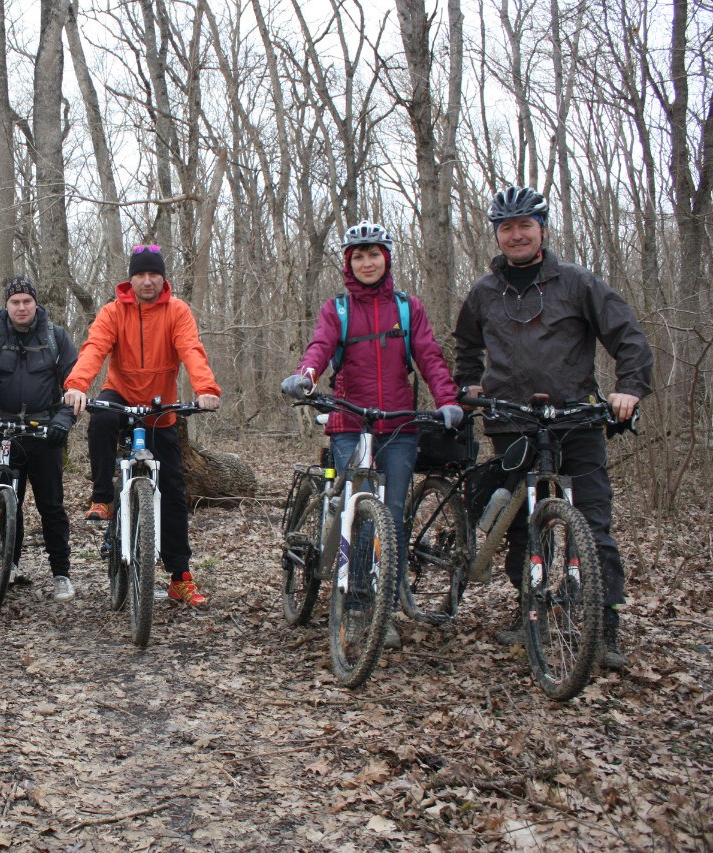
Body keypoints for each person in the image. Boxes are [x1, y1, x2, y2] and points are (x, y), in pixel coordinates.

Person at [453, 186, 653, 671]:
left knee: (593, 524)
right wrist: (470, 384)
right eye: (507, 228)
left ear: (542, 230)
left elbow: (628, 336)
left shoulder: (578, 283)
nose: (516, 235)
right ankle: (532, 611)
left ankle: (604, 625)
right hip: (512, 421)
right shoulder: (484, 292)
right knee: (522, 524)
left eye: (526, 225)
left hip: (575, 419)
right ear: (497, 235)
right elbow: (465, 347)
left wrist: (628, 389)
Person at [280, 222, 461, 649]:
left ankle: (384, 609)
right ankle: (359, 605)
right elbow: (320, 347)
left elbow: (430, 356)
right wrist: (306, 376)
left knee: (391, 518)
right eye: (358, 256)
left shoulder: (408, 308)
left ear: (387, 258)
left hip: (399, 425)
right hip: (350, 423)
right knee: (359, 514)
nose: (366, 262)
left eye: (373, 254)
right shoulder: (338, 309)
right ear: (348, 263)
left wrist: (447, 400)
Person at [62, 244, 221, 608]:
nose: (147, 281)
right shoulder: (113, 312)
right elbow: (94, 349)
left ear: (163, 278)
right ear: (130, 279)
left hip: (160, 407)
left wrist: (206, 389)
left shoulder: (177, 311)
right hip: (120, 393)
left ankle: (180, 578)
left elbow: (191, 350)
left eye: (154, 275)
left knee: (174, 493)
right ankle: (103, 498)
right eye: (141, 275)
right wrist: (77, 385)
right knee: (102, 419)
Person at [0, 275, 79, 601]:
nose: (21, 307)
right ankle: (9, 565)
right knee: (4, 499)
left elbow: (75, 384)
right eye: (15, 302)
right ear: (6, 305)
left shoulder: (56, 337)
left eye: (27, 301)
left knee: (51, 506)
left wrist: (63, 420)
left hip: (45, 432)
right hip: (6, 430)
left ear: (36, 303)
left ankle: (61, 574)